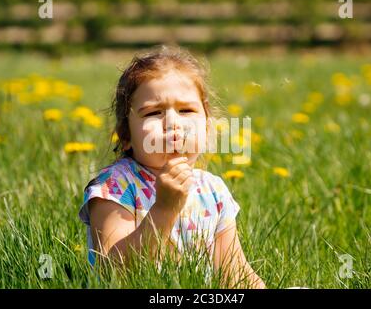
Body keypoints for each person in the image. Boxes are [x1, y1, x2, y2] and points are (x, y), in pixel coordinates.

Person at [78, 45, 266, 288]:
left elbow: (234, 274)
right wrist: (164, 209)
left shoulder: (213, 190)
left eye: (186, 110)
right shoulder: (115, 187)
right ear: (125, 135)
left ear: (207, 127)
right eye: (153, 113)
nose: (172, 124)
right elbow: (113, 273)